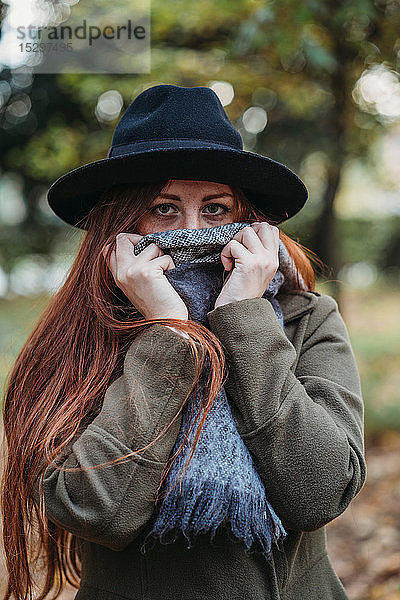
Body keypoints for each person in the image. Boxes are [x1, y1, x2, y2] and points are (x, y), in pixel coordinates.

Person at [1, 84, 366, 600]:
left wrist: (244, 319)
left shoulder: (307, 319)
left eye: (216, 209)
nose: (193, 231)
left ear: (247, 223)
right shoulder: (81, 336)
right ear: (122, 224)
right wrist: (169, 335)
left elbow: (322, 490)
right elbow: (94, 508)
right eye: (164, 209)